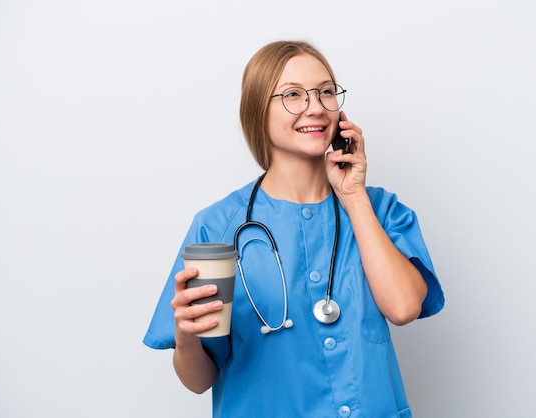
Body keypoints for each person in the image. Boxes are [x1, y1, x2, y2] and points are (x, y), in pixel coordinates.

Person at [143, 40, 445, 418]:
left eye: (325, 92)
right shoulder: (217, 228)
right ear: (257, 110)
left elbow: (403, 308)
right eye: (293, 95)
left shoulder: (380, 210)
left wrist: (353, 197)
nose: (315, 107)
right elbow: (199, 379)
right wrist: (187, 339)